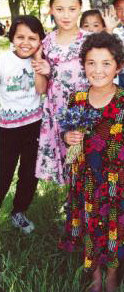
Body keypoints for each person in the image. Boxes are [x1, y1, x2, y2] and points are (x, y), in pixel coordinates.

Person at [60, 32, 124, 292]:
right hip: (85, 180)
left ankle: (111, 277)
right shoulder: (76, 99)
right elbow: (68, 136)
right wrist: (68, 136)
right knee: (89, 228)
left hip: (117, 183)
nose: (98, 70)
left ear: (118, 65)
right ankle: (95, 276)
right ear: (83, 64)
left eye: (106, 63)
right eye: (91, 63)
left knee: (113, 230)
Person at [0, 15, 48, 233]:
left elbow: (40, 90)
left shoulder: (41, 62)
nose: (26, 42)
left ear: (40, 41)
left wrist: (38, 62)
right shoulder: (3, 61)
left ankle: (19, 211)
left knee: (30, 172)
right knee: (3, 172)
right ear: (12, 38)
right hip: (6, 129)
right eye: (20, 37)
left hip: (33, 126)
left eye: (32, 38)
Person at [35, 0, 89, 184]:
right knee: (65, 151)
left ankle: (85, 197)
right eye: (59, 9)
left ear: (80, 9)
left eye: (72, 9)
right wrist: (44, 68)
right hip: (57, 106)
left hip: (84, 105)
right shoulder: (46, 42)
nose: (66, 15)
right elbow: (43, 82)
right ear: (51, 10)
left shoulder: (89, 39)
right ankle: (71, 198)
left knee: (85, 153)